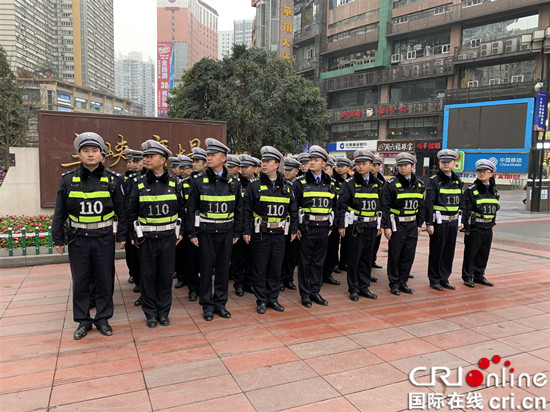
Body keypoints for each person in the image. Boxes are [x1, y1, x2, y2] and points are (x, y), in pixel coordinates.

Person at [52, 132, 127, 340]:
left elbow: (122, 211)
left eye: (95, 151)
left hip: (103, 237)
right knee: (81, 281)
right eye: (86, 151)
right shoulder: (68, 180)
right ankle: (83, 321)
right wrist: (58, 238)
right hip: (78, 239)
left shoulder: (113, 180)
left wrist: (122, 235)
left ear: (102, 155)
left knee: (105, 280)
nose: (91, 154)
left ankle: (103, 319)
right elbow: (60, 212)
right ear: (79, 155)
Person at [128, 140, 185, 328]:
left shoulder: (175, 182)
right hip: (147, 239)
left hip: (169, 239)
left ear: (163, 160)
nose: (146, 159)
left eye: (150, 156)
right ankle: (150, 313)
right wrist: (134, 236)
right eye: (145, 156)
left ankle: (163, 312)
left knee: (165, 277)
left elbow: (182, 211)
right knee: (148, 277)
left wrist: (181, 232)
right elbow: (131, 212)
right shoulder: (138, 182)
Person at [186, 138, 243, 321]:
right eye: (208, 155)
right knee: (205, 269)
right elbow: (191, 209)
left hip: (226, 233)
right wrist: (192, 233)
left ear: (223, 158)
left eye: (213, 155)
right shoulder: (198, 181)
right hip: (206, 233)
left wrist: (236, 232)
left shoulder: (234, 182)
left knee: (223, 270)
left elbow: (239, 210)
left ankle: (220, 304)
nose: (208, 158)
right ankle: (207, 306)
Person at [243, 146, 298, 314]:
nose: (264, 165)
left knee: (276, 268)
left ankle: (273, 298)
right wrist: (246, 231)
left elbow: (293, 210)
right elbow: (245, 211)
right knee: (260, 269)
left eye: (268, 162)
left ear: (276, 164)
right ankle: (261, 300)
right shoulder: (254, 186)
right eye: (263, 162)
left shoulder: (287, 187)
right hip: (261, 234)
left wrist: (294, 229)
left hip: (280, 234)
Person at [293, 145, 336, 307]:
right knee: (305, 261)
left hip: (324, 227)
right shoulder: (300, 182)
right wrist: (296, 227)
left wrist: (331, 226)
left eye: (316, 160)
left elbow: (334, 205)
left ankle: (315, 291)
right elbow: (294, 206)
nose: (312, 163)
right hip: (307, 227)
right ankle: (305, 294)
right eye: (310, 160)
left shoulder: (330, 183)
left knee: (319, 261)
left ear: (324, 164)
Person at [338, 150, 381, 302]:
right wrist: (341, 225)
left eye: (364, 164)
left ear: (371, 165)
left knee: (367, 259)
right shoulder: (349, 184)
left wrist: (381, 225)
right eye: (358, 164)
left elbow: (382, 206)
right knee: (354, 259)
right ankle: (354, 288)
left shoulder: (378, 184)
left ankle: (364, 287)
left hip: (371, 226)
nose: (361, 167)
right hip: (355, 227)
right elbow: (341, 205)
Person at [381, 152, 425, 295]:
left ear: (412, 166)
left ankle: (403, 282)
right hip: (396, 225)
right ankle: (394, 283)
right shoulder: (391, 184)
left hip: (412, 225)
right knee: (395, 255)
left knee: (408, 255)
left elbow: (422, 207)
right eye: (400, 165)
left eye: (405, 165)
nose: (402, 168)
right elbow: (385, 207)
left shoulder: (419, 184)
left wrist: (419, 224)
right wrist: (386, 226)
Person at [425, 149, 464, 291]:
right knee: (437, 251)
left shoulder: (457, 181)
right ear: (439, 163)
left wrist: (461, 220)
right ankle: (434, 279)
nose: (446, 164)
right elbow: (428, 203)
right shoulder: (434, 181)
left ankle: (444, 278)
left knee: (449, 251)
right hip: (439, 223)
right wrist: (429, 223)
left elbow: (462, 202)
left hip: (453, 222)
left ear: (454, 163)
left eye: (448, 162)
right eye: (443, 162)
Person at [461, 159, 499, 288]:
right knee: (471, 252)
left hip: (488, 227)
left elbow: (494, 208)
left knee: (484, 252)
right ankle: (467, 276)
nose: (482, 174)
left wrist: (493, 223)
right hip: (475, 226)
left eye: (485, 172)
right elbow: (465, 209)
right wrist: (466, 227)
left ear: (491, 174)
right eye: (480, 172)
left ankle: (479, 275)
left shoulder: (493, 190)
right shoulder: (471, 190)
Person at [122, 149, 146, 307]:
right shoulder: (124, 179)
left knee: (143, 258)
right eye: (130, 162)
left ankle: (144, 286)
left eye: (136, 161)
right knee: (131, 254)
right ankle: (136, 277)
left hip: (144, 224)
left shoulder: (147, 178)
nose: (132, 164)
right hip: (129, 222)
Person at [230, 154, 256, 296]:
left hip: (253, 226)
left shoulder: (258, 184)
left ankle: (249, 283)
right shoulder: (235, 183)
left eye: (246, 168)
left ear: (254, 168)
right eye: (242, 167)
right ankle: (239, 284)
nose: (243, 170)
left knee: (251, 257)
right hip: (239, 226)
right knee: (238, 258)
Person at [280, 156, 301, 291]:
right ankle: (280, 279)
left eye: (290, 170)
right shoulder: (280, 183)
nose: (287, 172)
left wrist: (297, 227)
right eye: (285, 170)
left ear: (297, 171)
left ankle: (288, 278)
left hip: (294, 224)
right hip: (282, 225)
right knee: (281, 254)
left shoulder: (300, 185)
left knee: (292, 255)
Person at [174, 155, 193, 290]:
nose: (181, 171)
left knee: (191, 256)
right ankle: (181, 277)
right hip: (180, 223)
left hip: (191, 223)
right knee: (179, 253)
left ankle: (191, 280)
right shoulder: (175, 183)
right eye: (180, 168)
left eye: (185, 168)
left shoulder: (194, 182)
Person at [322, 156, 342, 285]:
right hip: (320, 223)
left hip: (333, 223)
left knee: (332, 251)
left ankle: (327, 274)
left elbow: (339, 205)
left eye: (327, 169)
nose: (325, 171)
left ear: (332, 169)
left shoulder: (336, 184)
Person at [333, 157, 352, 273]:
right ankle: (334, 262)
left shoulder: (351, 180)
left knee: (347, 240)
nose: (340, 169)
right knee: (335, 240)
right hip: (336, 213)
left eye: (342, 167)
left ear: (348, 168)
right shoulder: (332, 180)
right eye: (338, 166)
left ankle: (344, 261)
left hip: (348, 215)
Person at [371, 155, 385, 271]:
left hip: (378, 216)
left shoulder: (382, 182)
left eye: (375, 166)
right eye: (372, 165)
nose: (373, 168)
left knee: (376, 241)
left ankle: (373, 260)